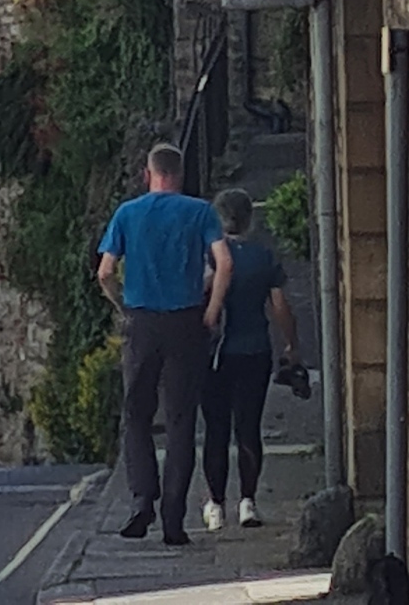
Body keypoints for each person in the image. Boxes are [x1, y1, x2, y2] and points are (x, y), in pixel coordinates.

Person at [97, 142, 232, 546]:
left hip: (142, 322)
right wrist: (212, 310)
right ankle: (174, 520)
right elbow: (225, 263)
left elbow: (105, 272)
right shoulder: (199, 212)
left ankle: (142, 499)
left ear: (148, 174)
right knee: (180, 422)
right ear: (180, 174)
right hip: (186, 322)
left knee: (136, 415)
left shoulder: (127, 213)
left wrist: (123, 305)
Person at [198, 187, 300, 531]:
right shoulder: (263, 257)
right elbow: (280, 306)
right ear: (249, 219)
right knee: (248, 427)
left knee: (215, 429)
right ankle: (248, 502)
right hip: (255, 351)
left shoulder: (210, 257)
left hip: (215, 355)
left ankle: (215, 505)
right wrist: (291, 344)